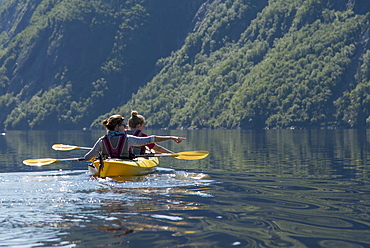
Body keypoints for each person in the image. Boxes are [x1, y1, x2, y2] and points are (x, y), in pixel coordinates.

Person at [83, 114, 185, 161]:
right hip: (126, 165)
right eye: (123, 125)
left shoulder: (102, 140)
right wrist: (171, 137)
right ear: (117, 127)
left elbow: (87, 157)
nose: (125, 126)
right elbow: (151, 139)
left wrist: (94, 160)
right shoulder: (128, 139)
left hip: (108, 165)